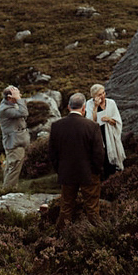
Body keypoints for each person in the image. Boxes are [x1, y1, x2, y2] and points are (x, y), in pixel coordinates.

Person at [49, 92, 105, 229]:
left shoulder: (57, 126)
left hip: (66, 173)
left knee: (66, 208)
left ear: (69, 107)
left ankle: (60, 238)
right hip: (89, 174)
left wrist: (59, 170)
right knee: (92, 209)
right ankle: (99, 236)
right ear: (84, 107)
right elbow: (98, 153)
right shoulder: (92, 126)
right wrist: (97, 171)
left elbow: (52, 153)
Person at [85, 83, 125, 179]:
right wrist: (95, 106)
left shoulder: (111, 103)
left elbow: (117, 120)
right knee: (100, 156)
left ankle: (113, 177)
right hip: (98, 134)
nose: (102, 96)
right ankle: (102, 179)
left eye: (103, 93)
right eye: (99, 94)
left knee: (110, 157)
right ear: (94, 96)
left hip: (110, 134)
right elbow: (90, 121)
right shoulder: (89, 104)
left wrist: (109, 119)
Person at [0, 85, 30, 189]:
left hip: (16, 141)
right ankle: (8, 191)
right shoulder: (5, 109)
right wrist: (19, 99)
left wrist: (18, 99)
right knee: (14, 168)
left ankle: (7, 189)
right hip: (14, 143)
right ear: (10, 97)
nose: (20, 95)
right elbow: (24, 112)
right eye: (17, 94)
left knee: (12, 167)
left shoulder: (10, 104)